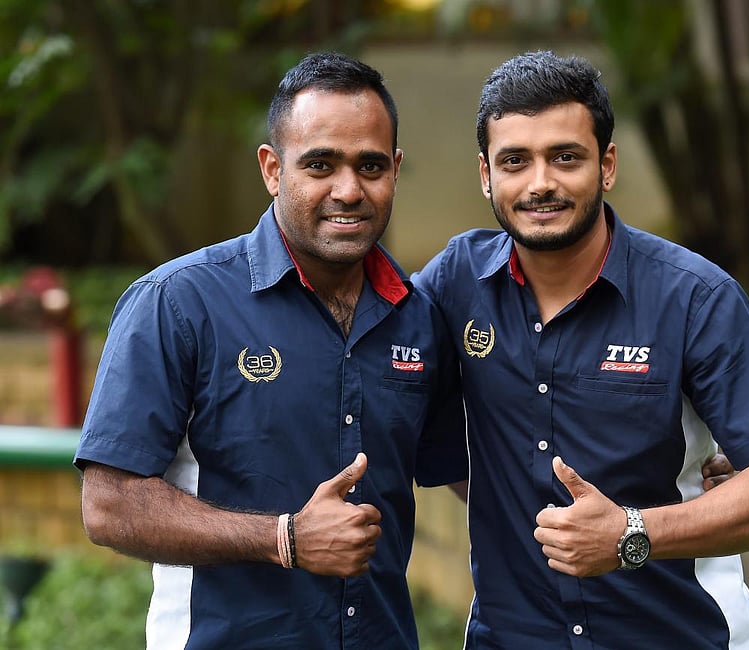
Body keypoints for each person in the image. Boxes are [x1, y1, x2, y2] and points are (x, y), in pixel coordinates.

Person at [414, 50, 749, 649]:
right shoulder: (455, 283)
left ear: (606, 165)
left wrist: (630, 533)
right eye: (515, 161)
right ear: (485, 175)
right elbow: (367, 361)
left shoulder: (694, 298)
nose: (540, 182)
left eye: (565, 157)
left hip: (673, 633)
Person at [74, 52, 469, 649]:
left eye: (370, 166)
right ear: (272, 169)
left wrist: (630, 524)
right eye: (320, 164)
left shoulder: (418, 317)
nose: (348, 190)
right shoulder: (178, 303)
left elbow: (465, 474)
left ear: (395, 168)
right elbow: (110, 506)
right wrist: (284, 537)